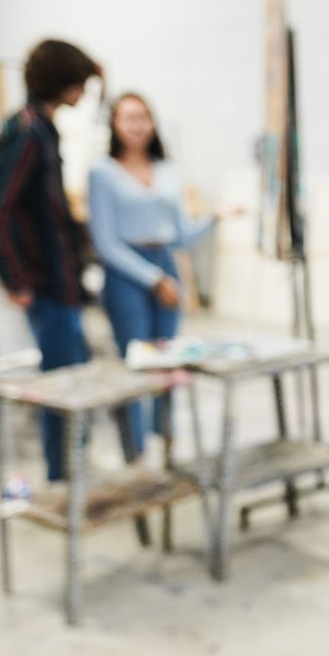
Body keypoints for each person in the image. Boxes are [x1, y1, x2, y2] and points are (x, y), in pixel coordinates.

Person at [0, 38, 103, 482]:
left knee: (74, 380)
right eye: (82, 82)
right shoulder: (28, 132)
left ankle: (71, 470)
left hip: (62, 283)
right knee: (61, 389)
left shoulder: (39, 128)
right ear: (64, 81)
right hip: (48, 287)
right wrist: (17, 278)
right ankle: (62, 477)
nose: (85, 92)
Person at [87, 92, 215, 460]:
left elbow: (181, 235)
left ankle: (168, 442)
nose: (137, 125)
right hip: (126, 274)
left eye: (142, 117)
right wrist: (152, 279)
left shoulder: (168, 171)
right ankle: (135, 452)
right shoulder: (103, 173)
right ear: (114, 124)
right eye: (128, 118)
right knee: (136, 364)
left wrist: (214, 217)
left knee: (168, 362)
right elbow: (106, 244)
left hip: (166, 265)